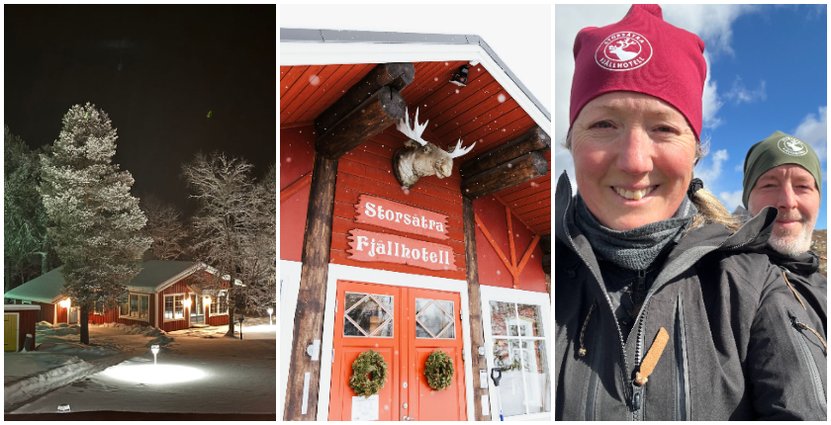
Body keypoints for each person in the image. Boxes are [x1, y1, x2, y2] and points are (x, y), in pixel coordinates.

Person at [555, 4, 826, 420]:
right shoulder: (544, 270)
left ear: (695, 154)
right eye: (604, 124)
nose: (634, 161)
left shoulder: (750, 286)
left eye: (663, 128)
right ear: (571, 141)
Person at [743, 130, 827, 333]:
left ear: (819, 200)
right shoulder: (721, 278)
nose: (788, 202)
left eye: (802, 186)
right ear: (747, 199)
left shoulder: (824, 286)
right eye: (769, 185)